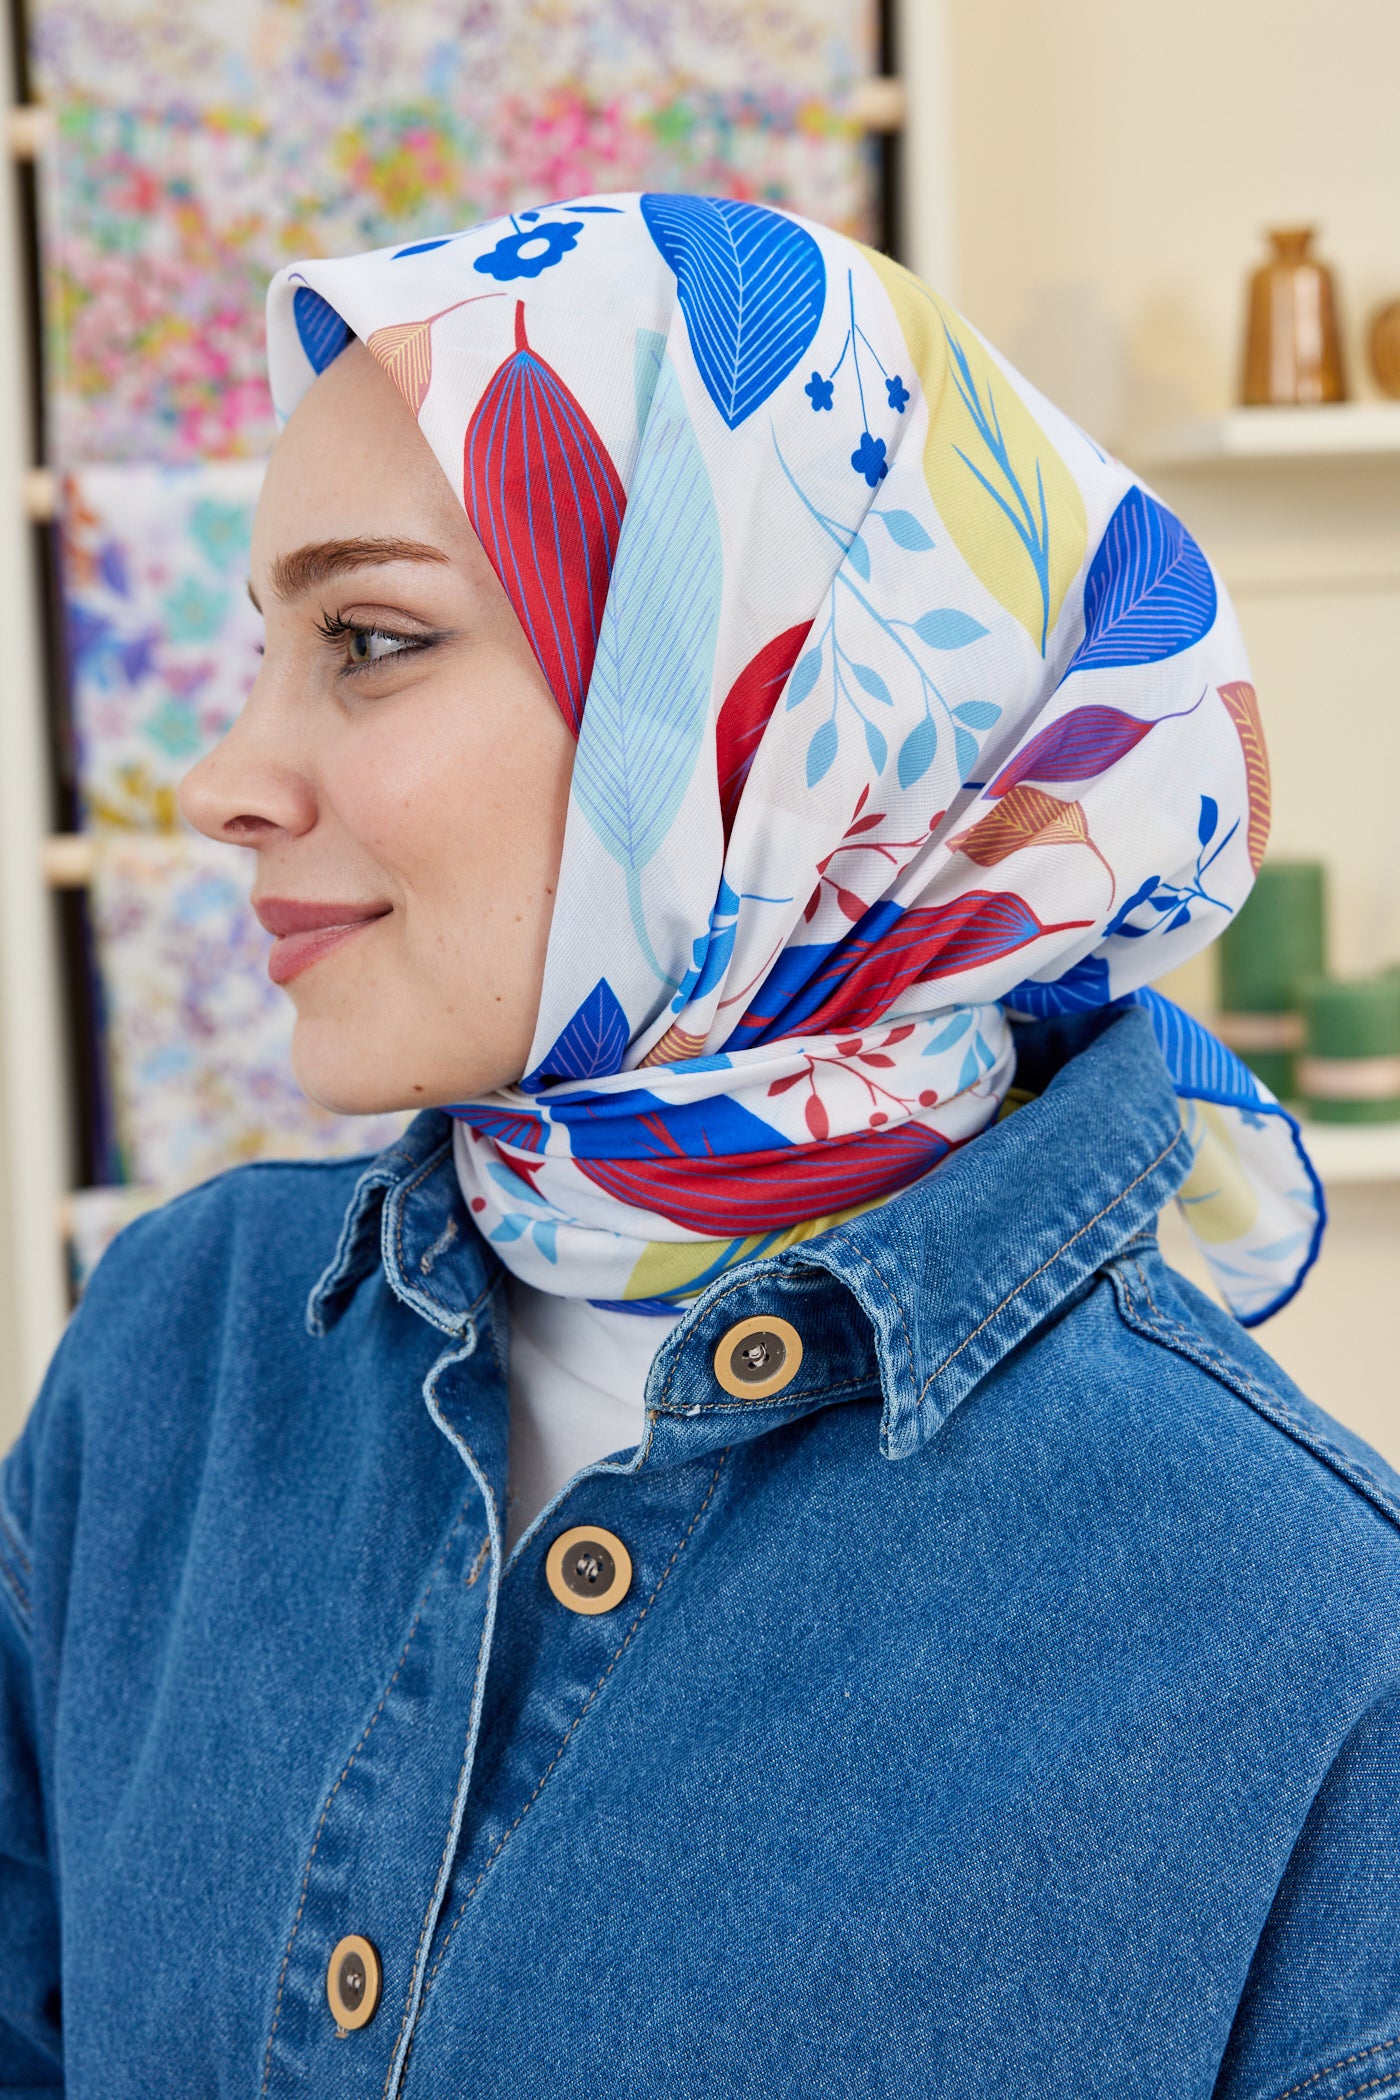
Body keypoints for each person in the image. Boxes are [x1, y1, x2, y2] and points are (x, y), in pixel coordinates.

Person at [2, 194, 1396, 2100]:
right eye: (267, 650)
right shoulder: (179, 1350)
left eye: (370, 639)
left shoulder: (1299, 1629)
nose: (223, 778)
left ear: (794, 719)